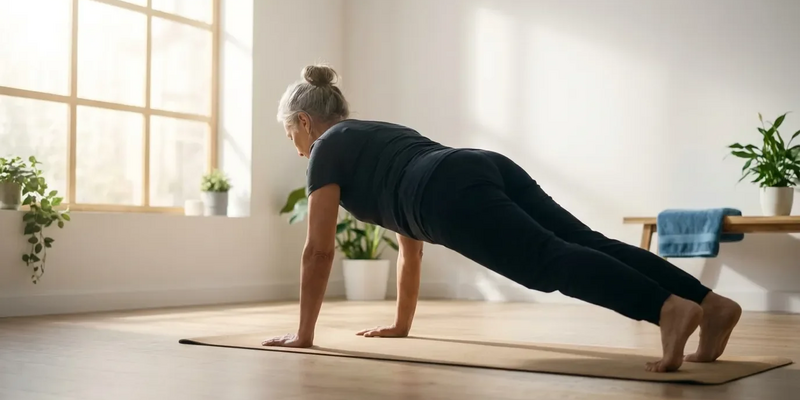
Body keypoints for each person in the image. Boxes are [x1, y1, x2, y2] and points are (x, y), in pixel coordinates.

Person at [262, 64, 742, 373]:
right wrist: (401, 324)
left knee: (545, 261)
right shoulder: (376, 133)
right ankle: (711, 303)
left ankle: (666, 308)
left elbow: (319, 249)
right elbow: (410, 241)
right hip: (477, 163)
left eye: (291, 136)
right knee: (586, 241)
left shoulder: (325, 148)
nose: (298, 148)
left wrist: (305, 335)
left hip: (445, 192)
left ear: (304, 122)